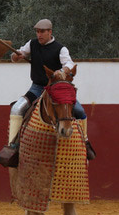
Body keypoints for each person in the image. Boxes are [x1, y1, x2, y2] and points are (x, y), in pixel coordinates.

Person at [7, 18, 95, 160]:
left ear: (50, 32)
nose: (39, 35)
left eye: (42, 32)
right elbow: (18, 54)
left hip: (56, 89)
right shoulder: (32, 44)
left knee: (80, 111)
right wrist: (16, 56)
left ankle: (85, 142)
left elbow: (69, 63)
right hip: (37, 87)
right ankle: (12, 147)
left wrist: (63, 70)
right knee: (16, 109)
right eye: (37, 32)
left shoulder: (60, 48)